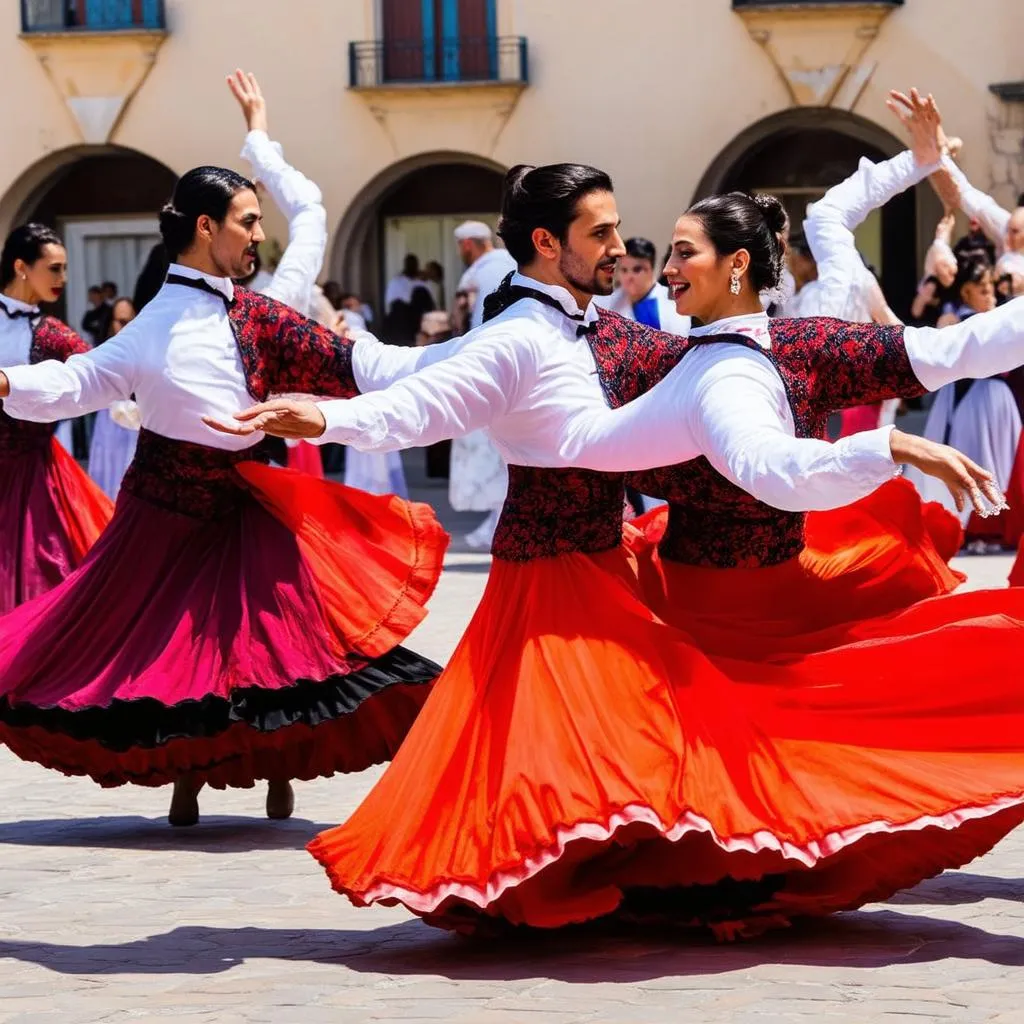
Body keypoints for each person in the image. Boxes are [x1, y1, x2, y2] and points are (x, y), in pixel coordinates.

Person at [212, 158, 1024, 939]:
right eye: (603, 234)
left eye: (630, 236)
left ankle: (619, 875)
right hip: (551, 579)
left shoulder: (599, 325)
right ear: (546, 245)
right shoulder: (522, 338)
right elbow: (424, 403)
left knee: (631, 756)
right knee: (599, 761)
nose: (624, 252)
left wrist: (772, 350)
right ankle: (566, 883)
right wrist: (325, 417)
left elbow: (694, 375)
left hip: (606, 561)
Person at [0, 158, 448, 828]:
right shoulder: (153, 328)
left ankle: (271, 768)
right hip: (164, 519)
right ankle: (190, 776)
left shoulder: (263, 316)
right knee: (177, 657)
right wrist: (7, 384)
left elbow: (356, 363)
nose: (257, 236)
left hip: (247, 508)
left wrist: (472, 356)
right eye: (247, 222)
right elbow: (74, 382)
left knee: (275, 649)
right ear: (206, 228)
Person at [0, 223, 114, 615]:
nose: (63, 278)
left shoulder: (56, 334)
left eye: (65, 269)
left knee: (45, 568)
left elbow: (103, 375)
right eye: (54, 268)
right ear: (21, 267)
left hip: (35, 476)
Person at [450, 220, 517, 549]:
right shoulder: (513, 262)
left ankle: (496, 522)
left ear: (467, 245)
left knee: (490, 453)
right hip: (512, 368)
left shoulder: (475, 273)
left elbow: (465, 320)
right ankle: (495, 521)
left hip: (483, 366)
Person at [86, 296, 140, 498]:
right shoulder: (101, 356)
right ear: (110, 325)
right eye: (121, 322)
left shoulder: (147, 353)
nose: (126, 327)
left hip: (138, 429)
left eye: (131, 321)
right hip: (109, 428)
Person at [595, 236, 690, 334]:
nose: (629, 277)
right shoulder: (610, 301)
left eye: (637, 270)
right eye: (624, 270)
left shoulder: (672, 306)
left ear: (651, 270)